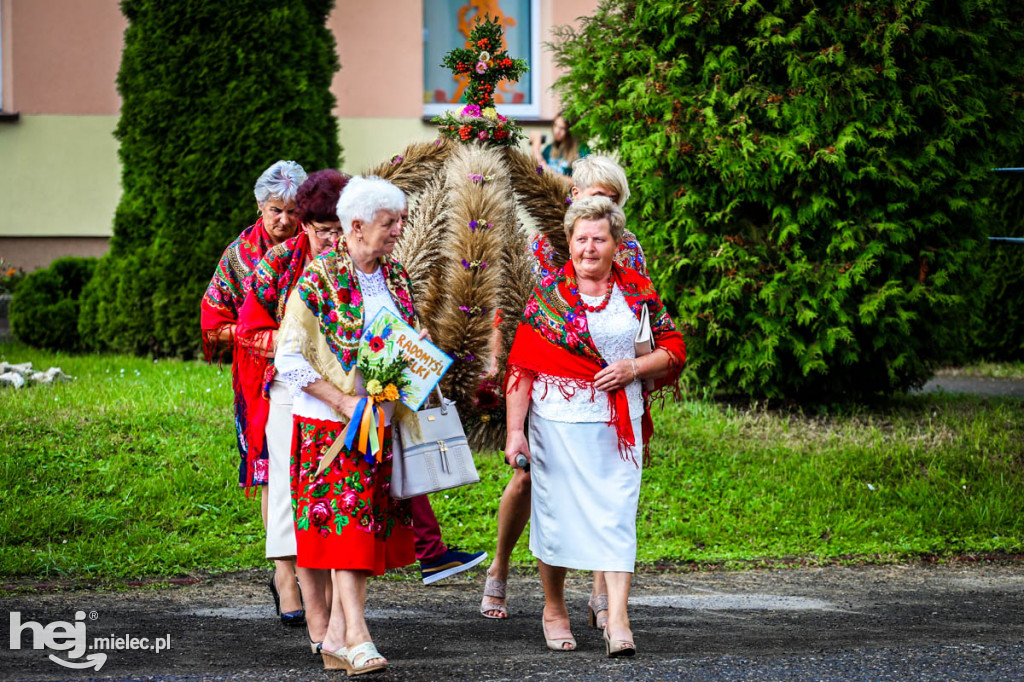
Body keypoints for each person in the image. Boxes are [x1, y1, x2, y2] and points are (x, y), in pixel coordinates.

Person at [502, 196, 685, 656]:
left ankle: (618, 618)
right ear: (569, 242)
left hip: (618, 429)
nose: (588, 247)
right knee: (557, 519)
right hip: (557, 427)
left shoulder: (638, 291)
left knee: (617, 519)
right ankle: (554, 609)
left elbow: (673, 348)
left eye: (598, 239)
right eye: (580, 238)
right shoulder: (547, 298)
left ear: (616, 243)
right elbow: (521, 368)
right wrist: (515, 432)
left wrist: (633, 369)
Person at [274, 176, 433, 674]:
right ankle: (357, 637)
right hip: (329, 426)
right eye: (391, 223)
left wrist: (417, 344)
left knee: (364, 531)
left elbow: (399, 336)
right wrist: (342, 400)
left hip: (379, 424)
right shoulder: (319, 277)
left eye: (400, 221)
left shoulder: (396, 275)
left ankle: (338, 636)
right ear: (358, 226)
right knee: (347, 532)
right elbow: (289, 359)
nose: (398, 231)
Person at [482, 156, 647, 627]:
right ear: (571, 195)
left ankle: (601, 594)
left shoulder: (629, 248)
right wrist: (499, 361)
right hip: (542, 374)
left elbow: (640, 314)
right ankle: (502, 564)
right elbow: (512, 307)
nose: (598, 204)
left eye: (609, 199)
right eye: (590, 195)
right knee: (529, 477)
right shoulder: (541, 247)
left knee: (603, 487)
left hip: (608, 385)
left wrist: (638, 366)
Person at [235, 169, 349, 645]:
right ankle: (296, 589)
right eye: (325, 231)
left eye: (343, 228)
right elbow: (244, 328)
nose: (336, 239)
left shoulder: (362, 260)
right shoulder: (278, 263)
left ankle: (341, 605)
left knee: (341, 490)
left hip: (349, 390)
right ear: (307, 226)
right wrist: (286, 341)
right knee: (285, 485)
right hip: (286, 387)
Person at [200, 159, 307, 623]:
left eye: (292, 211)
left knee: (308, 469)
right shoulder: (239, 256)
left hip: (314, 379)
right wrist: (262, 336)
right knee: (270, 473)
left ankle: (311, 568)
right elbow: (213, 320)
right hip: (258, 383)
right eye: (274, 210)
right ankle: (286, 575)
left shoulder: (319, 248)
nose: (284, 221)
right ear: (260, 207)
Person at [530, 112, 588, 176]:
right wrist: (536, 148)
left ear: (570, 132)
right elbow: (538, 172)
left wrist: (550, 173)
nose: (556, 131)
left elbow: (582, 181)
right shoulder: (549, 149)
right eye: (555, 125)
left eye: (562, 128)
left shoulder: (582, 150)